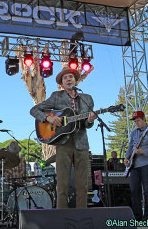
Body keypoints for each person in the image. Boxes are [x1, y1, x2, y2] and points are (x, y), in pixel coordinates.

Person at [30, 67, 96, 208]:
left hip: (81, 143)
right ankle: (62, 217)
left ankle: (82, 218)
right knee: (62, 185)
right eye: (65, 77)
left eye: (71, 77)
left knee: (82, 185)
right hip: (63, 144)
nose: (68, 79)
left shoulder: (87, 99)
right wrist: (48, 118)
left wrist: (90, 120)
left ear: (75, 81)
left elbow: (87, 124)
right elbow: (34, 110)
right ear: (61, 82)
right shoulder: (56, 96)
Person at [124, 111, 148, 221]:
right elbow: (130, 146)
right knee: (134, 191)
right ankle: (137, 217)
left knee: (147, 191)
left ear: (144, 119)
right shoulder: (133, 133)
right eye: (134, 121)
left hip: (147, 164)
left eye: (138, 120)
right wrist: (127, 158)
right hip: (134, 166)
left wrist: (142, 151)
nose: (136, 123)